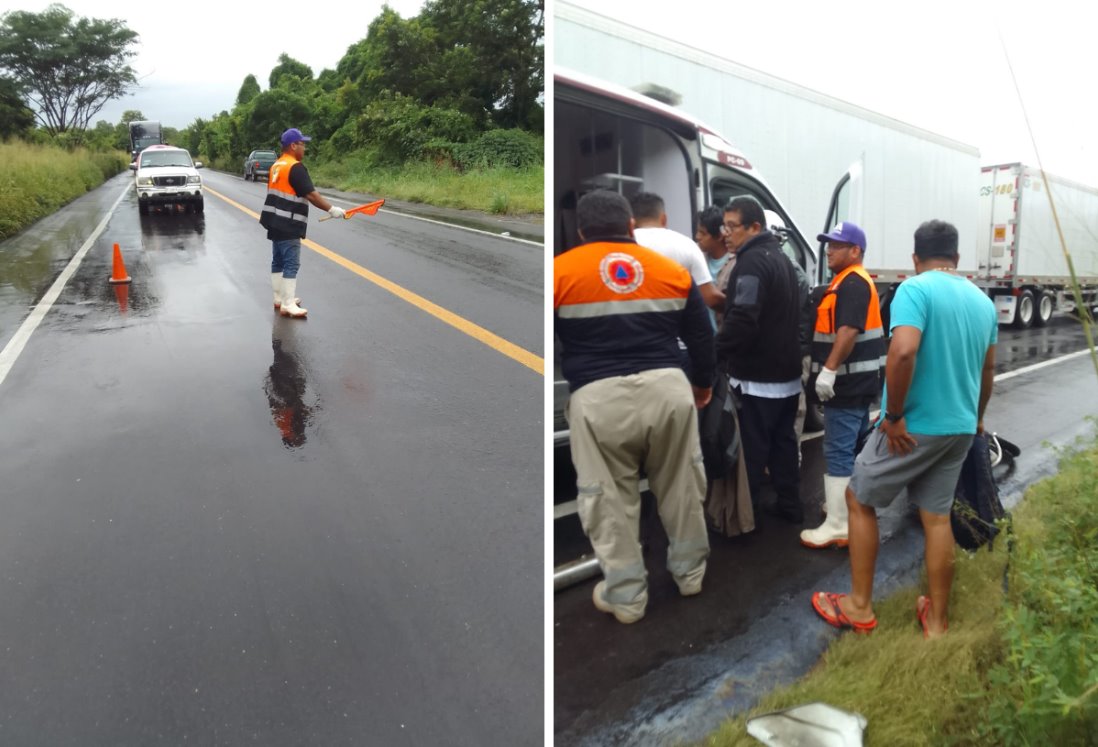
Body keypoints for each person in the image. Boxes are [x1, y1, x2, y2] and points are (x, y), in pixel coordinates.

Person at [811, 219, 997, 638]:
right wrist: (978, 417)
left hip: (914, 426)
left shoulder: (916, 289)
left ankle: (859, 607)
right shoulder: (982, 301)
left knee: (859, 498)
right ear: (958, 257)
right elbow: (988, 370)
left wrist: (893, 415)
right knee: (936, 518)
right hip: (960, 428)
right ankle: (936, 621)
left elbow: (904, 352)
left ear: (916, 258)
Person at [555, 190, 716, 624]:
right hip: (668, 390)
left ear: (582, 231)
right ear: (631, 227)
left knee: (608, 500)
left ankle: (627, 598)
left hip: (597, 397)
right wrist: (702, 385)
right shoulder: (671, 272)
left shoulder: (558, 272)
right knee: (682, 486)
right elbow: (702, 337)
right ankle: (690, 575)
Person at [716, 196, 806, 524]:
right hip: (787, 374)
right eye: (723, 226)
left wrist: (715, 352)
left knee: (752, 449)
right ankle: (790, 505)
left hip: (758, 378)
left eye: (732, 227)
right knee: (783, 445)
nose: (725, 233)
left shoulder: (752, 263)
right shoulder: (782, 259)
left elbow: (743, 317)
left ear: (754, 227)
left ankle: (747, 514)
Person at [801, 222, 886, 549]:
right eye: (828, 244)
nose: (829, 250)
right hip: (858, 383)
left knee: (837, 449)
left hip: (847, 385)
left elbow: (848, 330)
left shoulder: (852, 284)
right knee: (851, 448)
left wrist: (829, 371)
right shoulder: (850, 282)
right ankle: (846, 508)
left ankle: (838, 524)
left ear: (855, 251)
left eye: (836, 245)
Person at [259, 128, 346, 318]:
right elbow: (311, 194)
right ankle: (288, 304)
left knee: (278, 261)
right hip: (288, 222)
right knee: (291, 263)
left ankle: (279, 298)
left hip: (273, 221)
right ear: (293, 145)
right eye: (302, 144)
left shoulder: (276, 165)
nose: (304, 148)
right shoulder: (295, 167)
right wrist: (332, 210)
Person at [631, 192, 724, 313]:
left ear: (631, 221)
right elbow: (711, 298)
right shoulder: (687, 246)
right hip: (673, 328)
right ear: (664, 219)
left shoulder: (620, 247)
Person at [696, 204, 732, 328]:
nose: (697, 237)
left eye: (703, 233)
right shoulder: (696, 257)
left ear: (719, 236)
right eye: (698, 231)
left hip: (724, 337)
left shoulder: (736, 262)